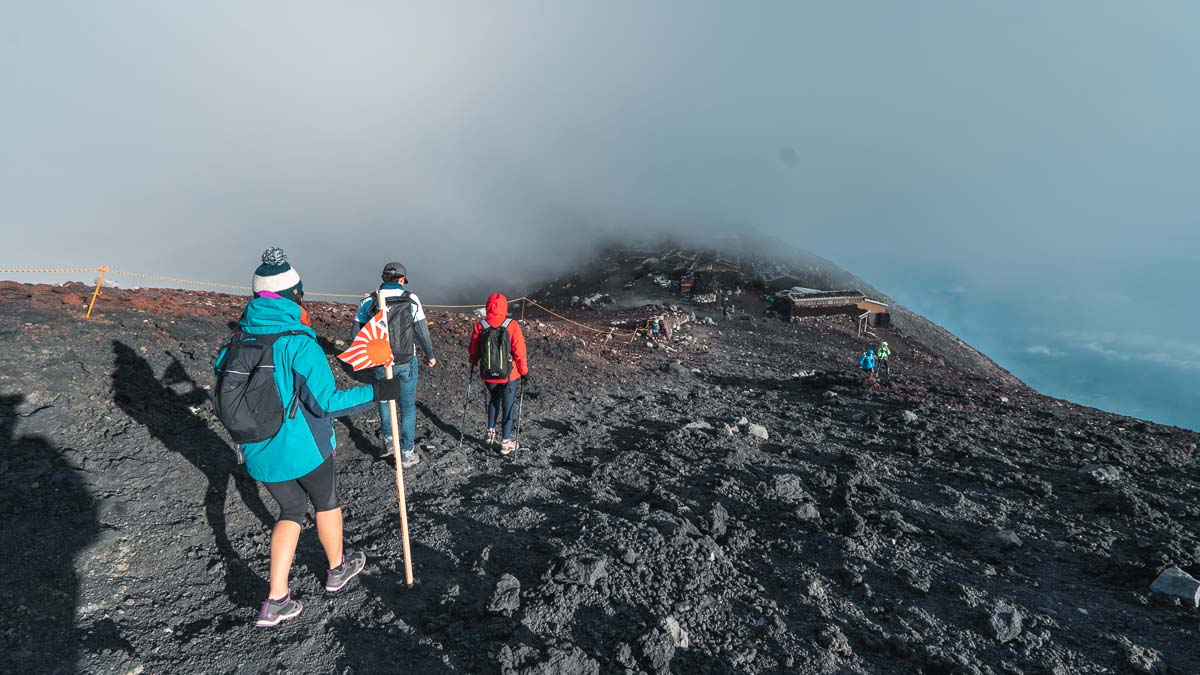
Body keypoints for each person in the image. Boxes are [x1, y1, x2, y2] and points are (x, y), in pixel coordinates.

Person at [216, 248, 401, 628]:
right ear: (293, 296)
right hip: (305, 448)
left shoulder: (236, 338)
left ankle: (276, 600)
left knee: (290, 512)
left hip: (258, 452)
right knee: (326, 502)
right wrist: (380, 392)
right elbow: (328, 403)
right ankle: (337, 569)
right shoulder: (299, 343)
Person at [352, 262, 437, 467]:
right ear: (401, 279)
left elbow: (356, 333)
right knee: (407, 407)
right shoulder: (411, 299)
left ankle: (389, 442)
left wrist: (365, 357)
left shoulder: (368, 301)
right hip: (406, 360)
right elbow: (421, 331)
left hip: (380, 361)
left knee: (384, 401)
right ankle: (406, 453)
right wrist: (430, 355)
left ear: (383, 278)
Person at [468, 293, 530, 455]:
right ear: (504, 306)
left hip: (488, 375)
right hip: (510, 375)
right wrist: (524, 371)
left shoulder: (480, 325)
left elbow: (474, 350)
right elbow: (519, 351)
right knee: (507, 406)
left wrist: (473, 361)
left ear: (488, 306)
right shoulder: (512, 325)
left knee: (494, 400)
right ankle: (505, 443)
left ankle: (490, 433)